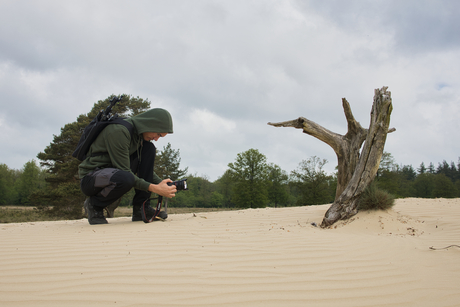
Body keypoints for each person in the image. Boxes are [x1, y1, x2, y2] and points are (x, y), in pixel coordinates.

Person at [78, 108, 177, 225]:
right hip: (91, 179)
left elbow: (144, 170)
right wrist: (155, 188)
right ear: (149, 124)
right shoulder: (119, 131)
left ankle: (141, 208)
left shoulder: (138, 137)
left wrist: (164, 184)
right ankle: (94, 205)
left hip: (112, 174)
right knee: (126, 178)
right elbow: (125, 171)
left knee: (149, 149)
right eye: (158, 134)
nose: (156, 139)